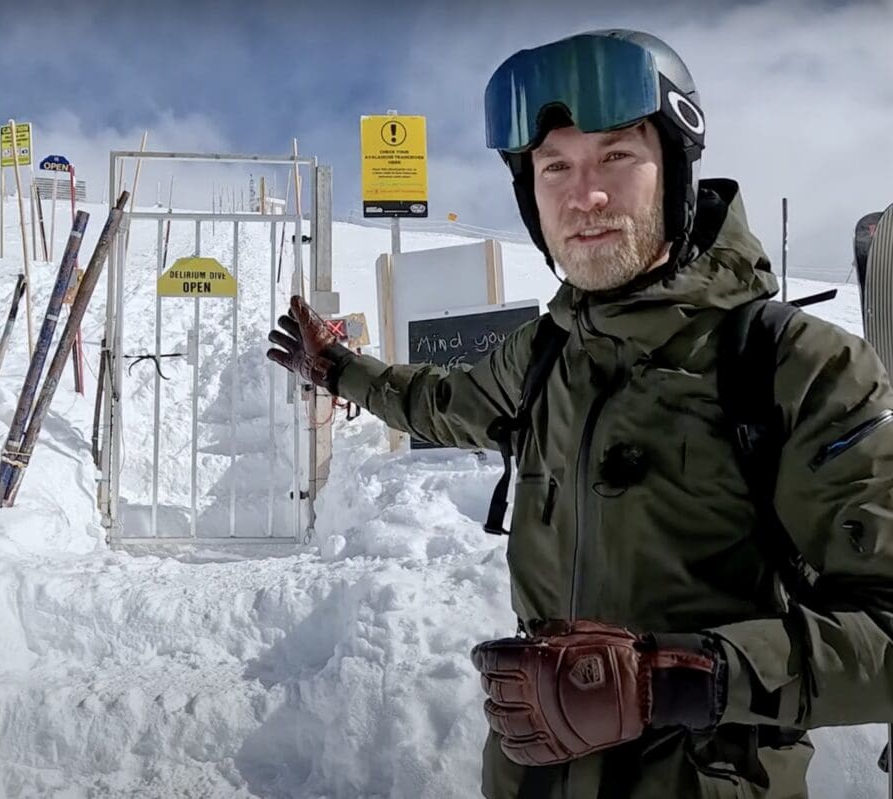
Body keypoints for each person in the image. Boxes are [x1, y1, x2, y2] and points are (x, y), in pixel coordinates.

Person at [266, 28, 893, 799]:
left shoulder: (793, 366)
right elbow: (438, 402)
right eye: (554, 167)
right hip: (531, 775)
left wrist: (679, 679)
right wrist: (337, 368)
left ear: (676, 169)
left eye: (616, 157)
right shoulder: (545, 353)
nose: (584, 196)